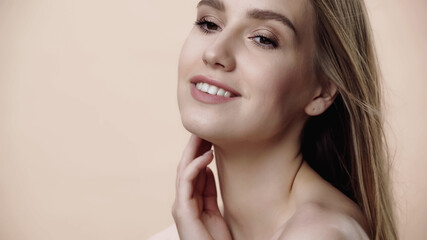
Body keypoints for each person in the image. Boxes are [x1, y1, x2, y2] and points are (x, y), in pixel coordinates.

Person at [150, 0, 397, 239]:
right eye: (209, 24)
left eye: (263, 39)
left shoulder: (321, 234)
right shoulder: (188, 229)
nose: (214, 52)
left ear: (322, 90)